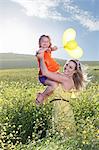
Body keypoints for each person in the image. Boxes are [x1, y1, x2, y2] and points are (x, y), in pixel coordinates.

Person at [36, 35, 60, 104]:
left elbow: (50, 49)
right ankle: (41, 97)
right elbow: (39, 53)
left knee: (56, 86)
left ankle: (43, 98)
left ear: (49, 43)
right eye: (43, 41)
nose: (45, 43)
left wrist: (53, 48)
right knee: (54, 85)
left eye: (47, 41)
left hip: (51, 74)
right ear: (39, 44)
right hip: (43, 76)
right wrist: (48, 49)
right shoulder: (40, 51)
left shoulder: (48, 51)